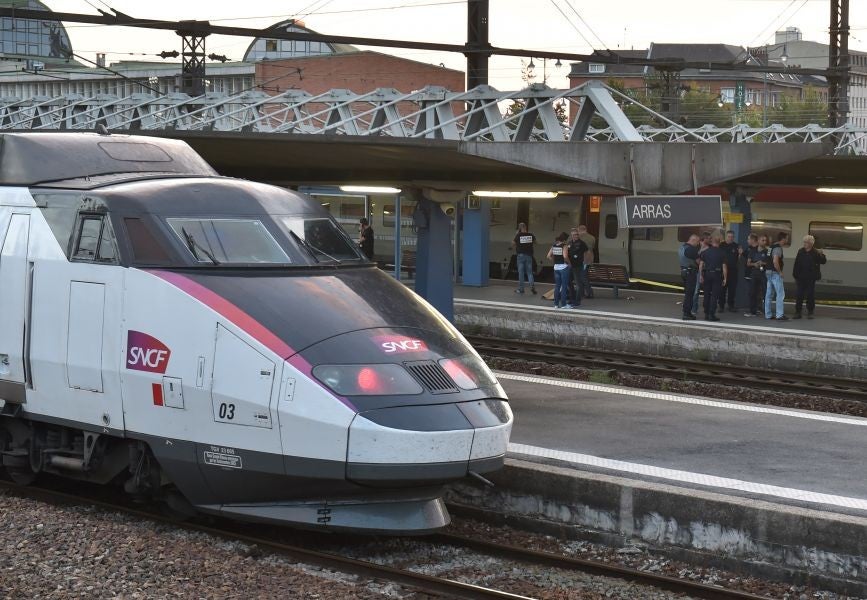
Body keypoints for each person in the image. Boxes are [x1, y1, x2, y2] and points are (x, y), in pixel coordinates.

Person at [792, 234, 827, 320]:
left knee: (810, 295)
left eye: (806, 242)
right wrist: (795, 274)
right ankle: (798, 312)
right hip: (800, 277)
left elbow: (823, 261)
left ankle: (810, 312)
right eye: (804, 242)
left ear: (811, 243)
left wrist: (822, 254)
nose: (804, 244)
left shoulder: (815, 252)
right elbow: (796, 264)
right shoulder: (800, 251)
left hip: (811, 277)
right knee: (799, 294)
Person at [698, 233, 727, 322]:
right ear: (719, 243)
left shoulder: (705, 252)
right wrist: (725, 278)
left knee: (706, 294)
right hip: (717, 275)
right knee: (714, 296)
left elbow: (701, 265)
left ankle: (706, 313)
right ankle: (711, 314)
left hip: (707, 274)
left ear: (712, 242)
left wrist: (701, 276)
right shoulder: (722, 253)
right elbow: (724, 267)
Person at [765, 231, 789, 321]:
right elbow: (775, 261)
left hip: (768, 272)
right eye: (786, 238)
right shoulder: (778, 248)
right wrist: (780, 272)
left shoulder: (771, 247)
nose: (787, 240)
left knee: (769, 295)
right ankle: (779, 315)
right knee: (780, 294)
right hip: (775, 273)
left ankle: (768, 314)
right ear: (783, 239)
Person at [744, 234, 770, 317]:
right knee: (752, 292)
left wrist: (763, 263)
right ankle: (752, 311)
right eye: (763, 240)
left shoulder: (768, 251)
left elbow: (770, 263)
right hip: (754, 273)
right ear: (758, 241)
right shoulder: (752, 251)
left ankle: (767, 311)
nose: (764, 242)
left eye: (765, 240)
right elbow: (748, 263)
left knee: (766, 292)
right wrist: (754, 264)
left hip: (764, 274)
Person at [547, 232, 571, 309]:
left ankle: (556, 304)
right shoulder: (564, 246)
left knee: (557, 286)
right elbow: (565, 256)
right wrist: (569, 263)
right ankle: (563, 304)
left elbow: (548, 256)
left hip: (556, 268)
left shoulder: (553, 246)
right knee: (564, 286)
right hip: (563, 267)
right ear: (564, 240)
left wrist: (555, 261)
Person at [719, 230, 741, 313]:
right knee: (722, 289)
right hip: (722, 271)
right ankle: (721, 306)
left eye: (732, 237)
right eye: (729, 236)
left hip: (733, 271)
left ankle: (731, 305)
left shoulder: (736, 246)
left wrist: (740, 254)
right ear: (726, 237)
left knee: (732, 289)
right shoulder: (721, 245)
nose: (730, 238)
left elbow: (739, 259)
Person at [511, 223, 537, 295]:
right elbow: (536, 242)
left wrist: (516, 235)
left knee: (521, 273)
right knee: (529, 273)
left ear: (520, 228)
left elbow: (513, 243)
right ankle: (532, 287)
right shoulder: (530, 235)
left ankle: (521, 289)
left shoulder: (518, 235)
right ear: (526, 227)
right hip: (529, 256)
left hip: (520, 256)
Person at [679, 233, 700, 320]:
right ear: (693, 240)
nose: (698, 244)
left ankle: (686, 311)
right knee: (690, 294)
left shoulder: (682, 247)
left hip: (683, 271)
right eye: (697, 241)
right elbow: (699, 261)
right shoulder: (691, 249)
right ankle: (687, 313)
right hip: (690, 272)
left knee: (687, 293)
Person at [567, 229, 589, 308]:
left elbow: (586, 252)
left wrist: (585, 262)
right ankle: (572, 298)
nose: (576, 236)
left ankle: (577, 300)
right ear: (571, 236)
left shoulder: (582, 243)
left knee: (578, 283)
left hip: (578, 266)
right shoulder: (569, 243)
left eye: (577, 234)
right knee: (569, 282)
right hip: (570, 265)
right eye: (574, 235)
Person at [577, 224, 596, 299]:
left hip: (582, 260)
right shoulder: (592, 238)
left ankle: (589, 292)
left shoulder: (579, 238)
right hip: (589, 259)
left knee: (582, 277)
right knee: (583, 276)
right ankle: (582, 292)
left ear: (580, 230)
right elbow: (593, 247)